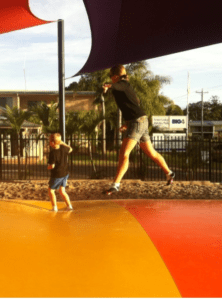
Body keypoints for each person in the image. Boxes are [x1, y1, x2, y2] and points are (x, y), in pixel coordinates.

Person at [102, 64, 175, 195]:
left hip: (138, 122)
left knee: (124, 153)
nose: (111, 80)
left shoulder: (123, 84)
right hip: (140, 120)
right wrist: (127, 123)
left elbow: (119, 86)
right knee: (151, 153)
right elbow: (133, 103)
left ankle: (116, 184)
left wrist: (109, 86)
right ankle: (169, 173)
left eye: (112, 78)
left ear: (116, 77)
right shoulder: (125, 87)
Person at [47, 133, 73, 211]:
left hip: (57, 175)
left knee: (51, 190)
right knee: (62, 191)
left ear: (52, 143)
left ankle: (54, 207)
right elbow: (71, 149)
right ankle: (69, 206)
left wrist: (48, 167)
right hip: (65, 173)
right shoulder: (64, 148)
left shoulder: (53, 152)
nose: (49, 142)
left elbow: (52, 166)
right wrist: (62, 142)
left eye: (49, 141)